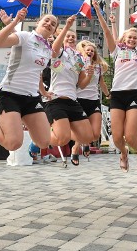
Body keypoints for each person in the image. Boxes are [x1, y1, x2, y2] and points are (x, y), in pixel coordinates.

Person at [94, 0, 137, 174]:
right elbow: (106, 31)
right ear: (124, 39)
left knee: (130, 135)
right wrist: (98, 11)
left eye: (135, 38)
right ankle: (124, 154)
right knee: (117, 137)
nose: (132, 39)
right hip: (117, 95)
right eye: (129, 37)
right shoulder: (117, 50)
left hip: (134, 95)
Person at [0, 8, 57, 155]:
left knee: (44, 142)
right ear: (38, 22)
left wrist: (43, 92)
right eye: (46, 20)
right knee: (13, 144)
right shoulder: (25, 36)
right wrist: (16, 22)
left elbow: (37, 73)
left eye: (53, 24)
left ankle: (21, 119)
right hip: (10, 95)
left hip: (32, 98)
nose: (49, 24)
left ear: (54, 31)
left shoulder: (48, 49)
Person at [45, 18, 99, 165]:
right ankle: (39, 135)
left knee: (88, 137)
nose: (70, 38)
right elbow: (55, 48)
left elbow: (81, 85)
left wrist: (89, 74)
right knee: (62, 139)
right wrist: (67, 26)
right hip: (56, 100)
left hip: (72, 101)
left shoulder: (79, 59)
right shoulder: (59, 53)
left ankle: (59, 130)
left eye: (73, 37)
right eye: (68, 36)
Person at [73, 40, 110, 163]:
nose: (90, 52)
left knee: (95, 135)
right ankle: (75, 148)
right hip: (79, 99)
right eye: (87, 50)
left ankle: (86, 143)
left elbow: (102, 83)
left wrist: (108, 95)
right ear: (83, 51)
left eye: (92, 51)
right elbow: (71, 78)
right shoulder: (78, 64)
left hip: (94, 100)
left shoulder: (98, 67)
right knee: (83, 131)